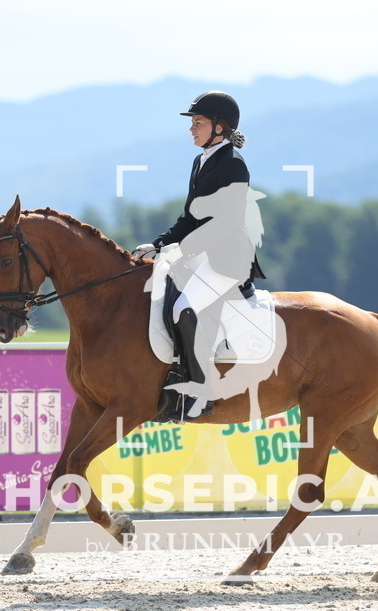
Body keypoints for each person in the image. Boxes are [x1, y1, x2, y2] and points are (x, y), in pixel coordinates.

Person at [132, 91, 264, 421]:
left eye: (198, 122)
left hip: (227, 258)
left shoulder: (232, 165)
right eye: (192, 123)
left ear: (219, 127)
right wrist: (159, 244)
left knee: (184, 307)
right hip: (200, 254)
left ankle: (199, 391)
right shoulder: (201, 160)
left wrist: (182, 249)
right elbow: (191, 217)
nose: (192, 128)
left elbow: (225, 222)